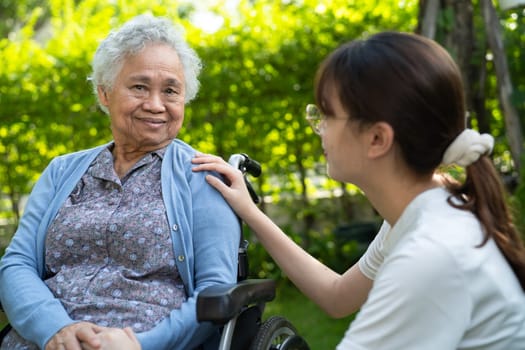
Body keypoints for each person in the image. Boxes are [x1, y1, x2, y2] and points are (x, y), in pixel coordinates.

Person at [192, 31, 525, 349]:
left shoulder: (430, 254)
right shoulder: (427, 211)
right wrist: (249, 211)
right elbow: (337, 296)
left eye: (327, 115)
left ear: (377, 139)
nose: (318, 129)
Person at [0, 14, 241, 350]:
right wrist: (55, 329)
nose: (156, 105)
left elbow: (215, 290)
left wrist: (142, 344)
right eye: (139, 87)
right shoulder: (61, 172)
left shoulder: (202, 176)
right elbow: (18, 262)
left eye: (170, 90)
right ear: (105, 94)